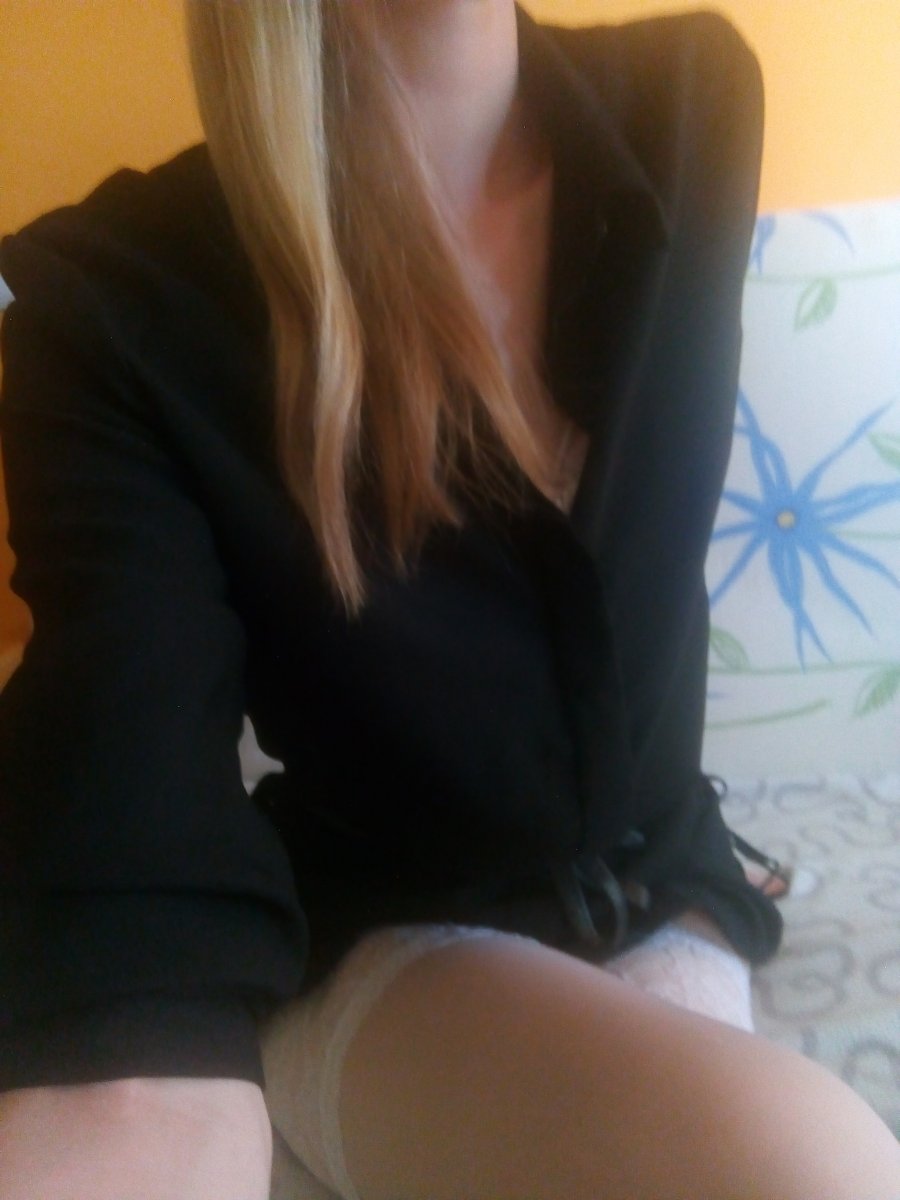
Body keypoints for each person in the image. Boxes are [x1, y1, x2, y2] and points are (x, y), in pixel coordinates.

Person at [0, 1, 898, 1197]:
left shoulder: (697, 106)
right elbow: (126, 794)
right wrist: (134, 1075)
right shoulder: (114, 303)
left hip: (669, 883)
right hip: (388, 934)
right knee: (810, 1165)